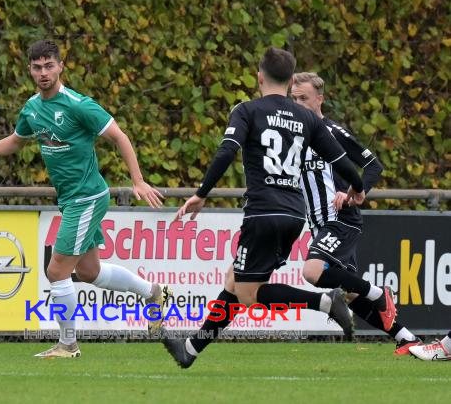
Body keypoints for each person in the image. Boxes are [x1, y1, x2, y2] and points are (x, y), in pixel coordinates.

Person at [0, 40, 171, 358]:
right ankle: (152, 292)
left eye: (50, 65)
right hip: (72, 199)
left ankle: (67, 345)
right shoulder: (32, 109)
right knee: (89, 272)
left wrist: (138, 181)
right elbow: (18, 141)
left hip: (86, 198)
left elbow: (120, 136)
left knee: (57, 271)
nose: (44, 72)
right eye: (37, 67)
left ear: (61, 66)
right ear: (30, 70)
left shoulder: (78, 105)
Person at [162, 47, 366, 369]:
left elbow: (227, 151)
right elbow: (340, 158)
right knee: (235, 279)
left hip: (262, 212)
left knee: (248, 293)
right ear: (289, 82)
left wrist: (201, 194)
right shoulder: (308, 118)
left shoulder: (247, 110)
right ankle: (191, 349)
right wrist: (356, 187)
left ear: (259, 77)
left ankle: (325, 302)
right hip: (293, 214)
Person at [291, 72, 421, 355]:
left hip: (340, 218)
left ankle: (379, 293)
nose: (298, 104)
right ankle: (407, 338)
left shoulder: (332, 132)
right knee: (351, 295)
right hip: (318, 224)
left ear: (320, 100)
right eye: (294, 98)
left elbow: (373, 165)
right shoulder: (292, 137)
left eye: (305, 98)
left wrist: (352, 191)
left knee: (311, 272)